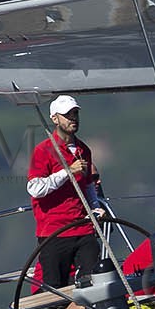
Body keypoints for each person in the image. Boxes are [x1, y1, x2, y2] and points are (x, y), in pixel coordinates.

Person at [28, 95, 104, 297]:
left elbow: (87, 185)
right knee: (55, 290)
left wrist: (95, 207)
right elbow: (35, 188)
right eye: (67, 115)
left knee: (94, 280)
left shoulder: (83, 150)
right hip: (55, 232)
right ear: (55, 118)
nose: (73, 118)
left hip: (83, 227)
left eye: (75, 113)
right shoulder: (43, 150)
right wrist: (67, 172)